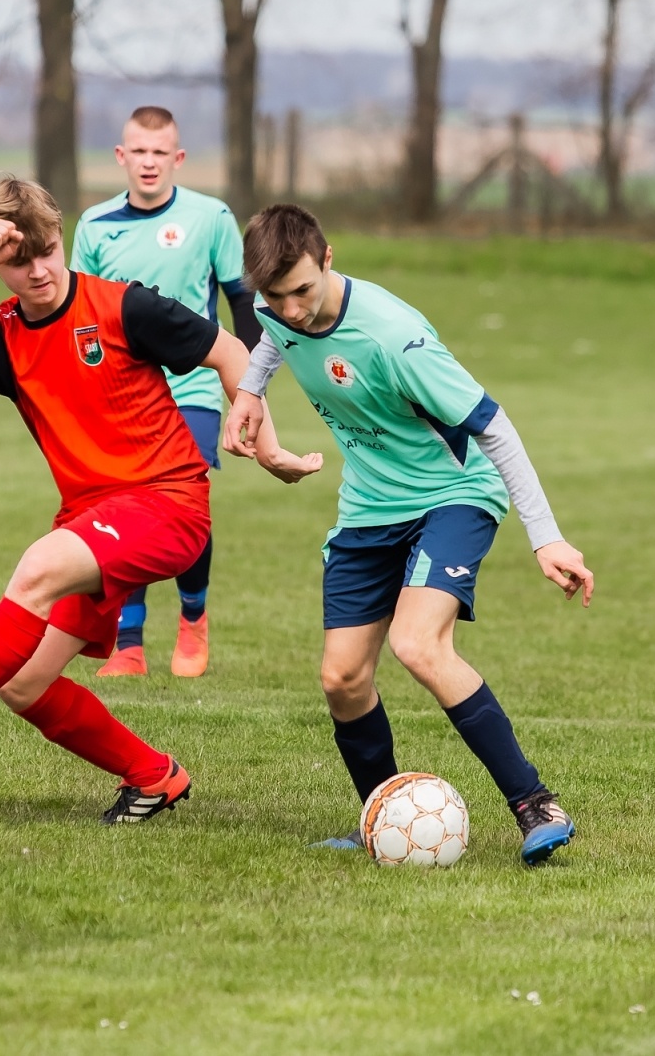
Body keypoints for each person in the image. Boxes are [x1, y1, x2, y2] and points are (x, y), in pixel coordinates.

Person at [0, 177, 265, 823]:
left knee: (36, 569)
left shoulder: (125, 307)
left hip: (167, 505)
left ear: (61, 237)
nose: (38, 271)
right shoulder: (2, 332)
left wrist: (256, 428)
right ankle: (155, 777)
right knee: (23, 683)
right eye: (17, 261)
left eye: (47, 251)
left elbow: (231, 350)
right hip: (92, 519)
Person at [223, 204, 595, 865]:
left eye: (302, 291)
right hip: (369, 508)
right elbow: (277, 339)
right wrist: (251, 391)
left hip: (451, 496)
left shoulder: (393, 337)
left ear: (328, 259)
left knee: (418, 645)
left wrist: (547, 537)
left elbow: (494, 428)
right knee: (342, 677)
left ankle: (536, 804)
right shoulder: (282, 312)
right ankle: (381, 818)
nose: (290, 309)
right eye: (272, 298)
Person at [71, 106, 259, 679]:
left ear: (177, 158)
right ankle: (128, 643)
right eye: (139, 152)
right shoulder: (94, 226)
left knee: (186, 506)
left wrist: (249, 386)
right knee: (124, 510)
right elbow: (79, 317)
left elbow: (242, 304)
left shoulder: (211, 217)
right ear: (121, 157)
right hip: (121, 395)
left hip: (195, 386)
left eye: (161, 153)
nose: (149, 163)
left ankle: (193, 619)